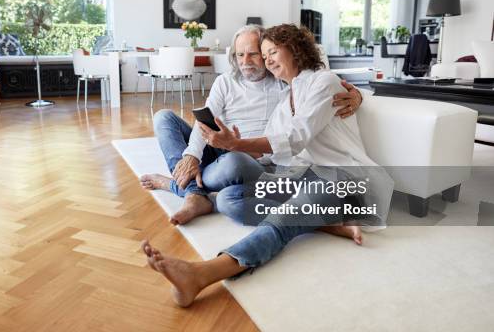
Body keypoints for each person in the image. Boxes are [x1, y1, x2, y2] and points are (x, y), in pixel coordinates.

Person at [141, 24, 393, 307]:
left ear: (295, 49)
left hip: (342, 178)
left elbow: (293, 139)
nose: (266, 59)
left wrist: (237, 146)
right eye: (264, 53)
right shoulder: (287, 97)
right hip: (303, 173)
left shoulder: (323, 82)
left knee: (284, 216)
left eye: (271, 52)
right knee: (228, 199)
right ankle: (326, 224)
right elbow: (283, 155)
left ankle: (202, 273)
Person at [140, 25, 363, 225]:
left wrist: (357, 95)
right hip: (219, 145)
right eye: (240, 54)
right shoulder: (225, 81)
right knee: (163, 117)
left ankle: (179, 187)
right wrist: (191, 156)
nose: (246, 61)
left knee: (234, 164)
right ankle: (193, 193)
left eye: (255, 54)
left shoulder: (283, 79)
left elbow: (320, 84)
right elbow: (204, 122)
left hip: (251, 156)